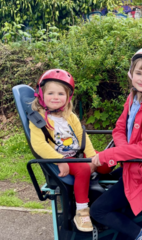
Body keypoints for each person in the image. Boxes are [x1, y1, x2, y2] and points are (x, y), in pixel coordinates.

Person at [90, 47, 142, 240]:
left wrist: (109, 155)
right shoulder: (134, 96)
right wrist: (121, 151)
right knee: (99, 179)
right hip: (134, 164)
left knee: (98, 211)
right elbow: (119, 128)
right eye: (138, 73)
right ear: (131, 73)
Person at [29, 69, 111, 232]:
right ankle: (81, 211)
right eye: (51, 93)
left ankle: (110, 187)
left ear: (68, 97)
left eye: (60, 93)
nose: (55, 97)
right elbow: (39, 145)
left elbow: (82, 137)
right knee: (82, 169)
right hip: (64, 159)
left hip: (77, 154)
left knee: (106, 161)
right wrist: (60, 160)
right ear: (41, 94)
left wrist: (93, 157)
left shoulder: (69, 116)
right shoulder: (38, 119)